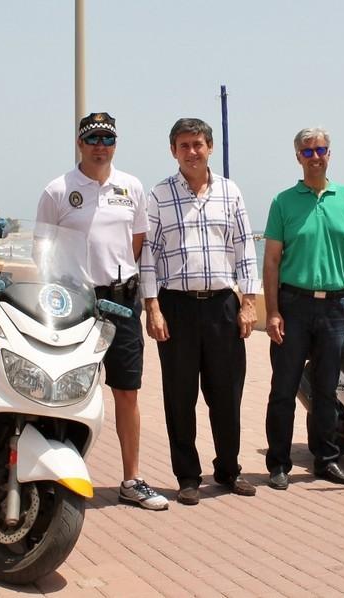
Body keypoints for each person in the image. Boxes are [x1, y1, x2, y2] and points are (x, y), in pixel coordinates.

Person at [37, 112, 169, 511]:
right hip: (75, 305)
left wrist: (124, 288)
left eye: (107, 139)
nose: (100, 145)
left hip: (122, 303)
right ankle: (57, 476)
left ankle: (131, 479)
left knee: (126, 392)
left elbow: (138, 244)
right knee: (64, 390)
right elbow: (43, 253)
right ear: (80, 142)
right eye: (93, 137)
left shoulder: (131, 187)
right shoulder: (57, 190)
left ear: (116, 144)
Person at [140, 118, 259, 506]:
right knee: (180, 396)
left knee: (227, 394)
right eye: (184, 145)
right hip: (176, 307)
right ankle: (187, 476)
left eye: (198, 144)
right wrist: (152, 307)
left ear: (210, 147)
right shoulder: (158, 195)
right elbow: (148, 257)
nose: (192, 151)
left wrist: (249, 302)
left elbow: (245, 249)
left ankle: (228, 469)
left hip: (223, 306)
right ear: (173, 150)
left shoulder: (230, 192)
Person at [262, 128, 344, 490]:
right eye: (307, 152)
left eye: (321, 149)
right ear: (298, 157)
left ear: (329, 153)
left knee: (327, 391)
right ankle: (278, 464)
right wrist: (273, 312)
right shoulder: (283, 202)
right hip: (293, 305)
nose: (315, 156)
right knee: (284, 389)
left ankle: (326, 459)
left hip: (336, 308)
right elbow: (272, 262)